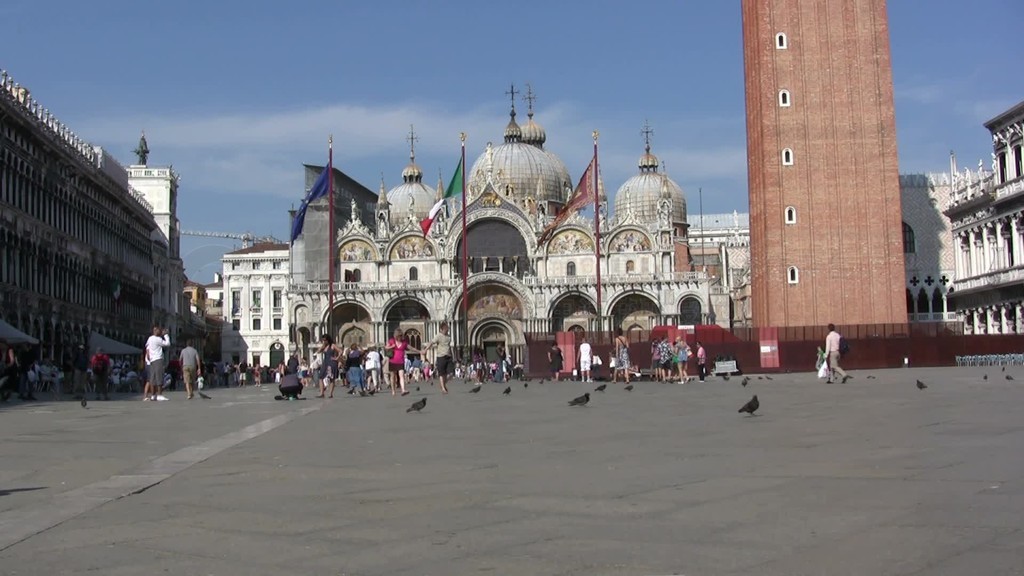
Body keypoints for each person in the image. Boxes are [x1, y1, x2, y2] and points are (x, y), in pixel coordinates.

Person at [384, 329, 418, 396]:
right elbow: (386, 348)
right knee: (392, 377)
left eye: (401, 336)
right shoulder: (391, 341)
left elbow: (411, 348)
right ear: (396, 336)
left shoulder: (404, 342)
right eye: (399, 336)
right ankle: (393, 390)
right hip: (392, 361)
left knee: (401, 375)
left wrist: (419, 351)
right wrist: (392, 346)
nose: (400, 337)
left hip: (401, 361)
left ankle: (403, 390)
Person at [422, 322, 453, 394]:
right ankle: (443, 388)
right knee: (442, 374)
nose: (447, 330)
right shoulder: (438, 336)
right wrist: (425, 350)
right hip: (441, 356)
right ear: (441, 329)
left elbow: (449, 347)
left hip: (448, 356)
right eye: (445, 329)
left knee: (450, 374)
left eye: (447, 329)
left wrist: (452, 355)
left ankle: (443, 384)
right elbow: (431, 342)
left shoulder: (449, 337)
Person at [144, 326, 171, 401]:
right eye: (159, 330)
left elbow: (147, 348)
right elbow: (167, 344)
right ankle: (159, 395)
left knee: (152, 378)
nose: (160, 332)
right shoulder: (158, 339)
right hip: (158, 359)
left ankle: (153, 395)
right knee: (159, 377)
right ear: (156, 331)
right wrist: (166, 335)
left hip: (151, 360)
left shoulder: (150, 338)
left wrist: (148, 357)